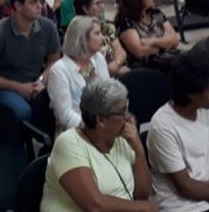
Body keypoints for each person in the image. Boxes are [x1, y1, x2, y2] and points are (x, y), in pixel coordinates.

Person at [148, 51, 209, 212]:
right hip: (182, 206)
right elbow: (185, 186)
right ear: (190, 93)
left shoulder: (204, 108)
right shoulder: (163, 126)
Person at [41, 78, 155, 212]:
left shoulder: (122, 137)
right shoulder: (68, 143)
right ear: (100, 119)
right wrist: (143, 208)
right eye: (122, 111)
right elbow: (94, 205)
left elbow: (142, 194)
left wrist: (138, 147)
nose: (128, 117)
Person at [48, 16, 110, 132]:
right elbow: (66, 116)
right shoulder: (59, 70)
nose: (102, 37)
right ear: (82, 39)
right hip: (75, 132)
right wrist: (96, 127)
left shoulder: (99, 59)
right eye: (97, 33)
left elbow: (109, 95)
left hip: (103, 125)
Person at [115, 0, 181, 72]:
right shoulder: (126, 21)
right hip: (146, 66)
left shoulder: (156, 13)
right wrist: (165, 42)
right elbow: (140, 52)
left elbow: (175, 40)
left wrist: (151, 41)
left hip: (167, 57)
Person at [75, 0, 130, 76]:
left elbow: (120, 52)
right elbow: (81, 66)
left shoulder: (105, 27)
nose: (103, 6)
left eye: (102, 2)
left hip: (114, 69)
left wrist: (116, 64)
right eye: (97, 3)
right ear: (85, 8)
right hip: (92, 77)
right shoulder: (77, 32)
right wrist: (108, 72)